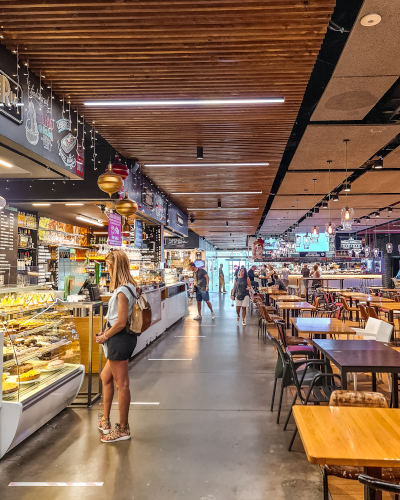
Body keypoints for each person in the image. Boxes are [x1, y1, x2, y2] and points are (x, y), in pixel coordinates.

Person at [96, 249, 138, 443]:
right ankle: (105, 420)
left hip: (119, 339)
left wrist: (105, 335)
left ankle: (122, 428)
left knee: (122, 385)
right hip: (120, 339)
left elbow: (120, 322)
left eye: (108, 266)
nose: (107, 269)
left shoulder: (122, 291)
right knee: (106, 376)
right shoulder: (130, 286)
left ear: (114, 266)